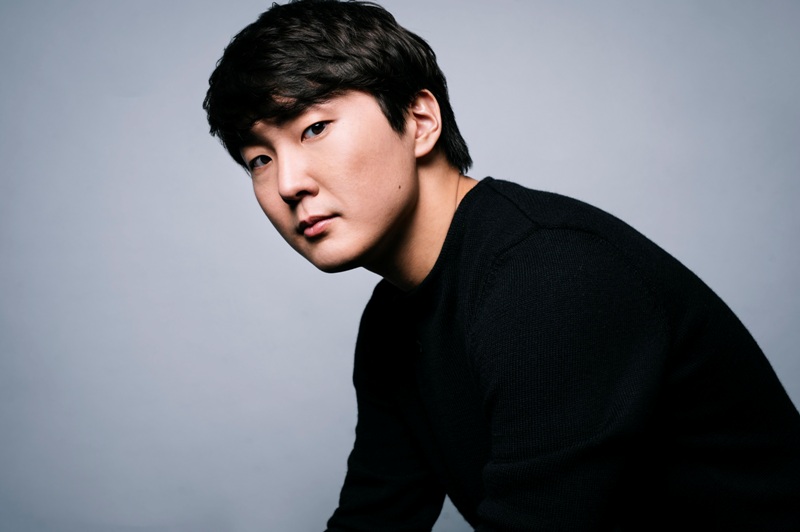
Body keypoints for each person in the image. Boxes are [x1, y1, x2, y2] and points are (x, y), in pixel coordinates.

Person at [203, 1, 800, 529]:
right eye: (259, 159)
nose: (288, 183)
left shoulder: (549, 273)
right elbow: (377, 515)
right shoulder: (393, 321)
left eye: (314, 128)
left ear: (419, 121)